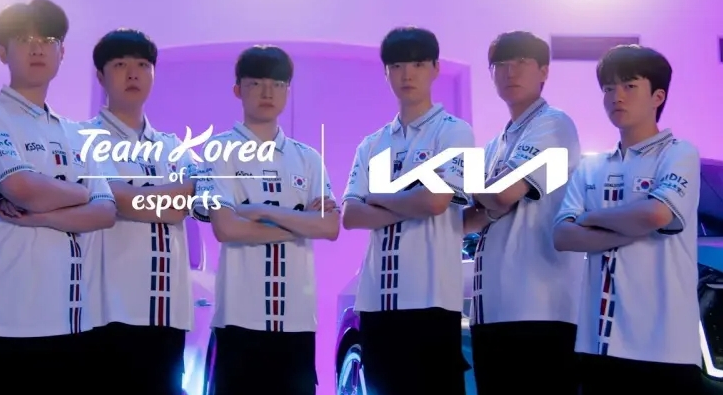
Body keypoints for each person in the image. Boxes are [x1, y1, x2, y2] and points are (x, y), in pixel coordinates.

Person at [0, 0, 116, 394]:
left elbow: (105, 213)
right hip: (2, 327)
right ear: (2, 52)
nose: (37, 48)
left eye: (48, 40)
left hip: (71, 325)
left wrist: (43, 215)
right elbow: (21, 188)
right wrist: (80, 192)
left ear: (62, 52)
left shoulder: (76, 133)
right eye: (24, 39)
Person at [554, 45, 702, 395]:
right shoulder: (591, 166)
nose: (616, 96)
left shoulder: (679, 153)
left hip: (665, 348)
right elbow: (562, 236)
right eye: (608, 88)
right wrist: (636, 226)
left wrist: (590, 217)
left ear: (657, 96)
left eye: (629, 86)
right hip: (597, 345)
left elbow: (657, 213)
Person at [192, 45, 340, 395]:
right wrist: (301, 222)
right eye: (256, 83)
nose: (268, 92)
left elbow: (331, 227)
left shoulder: (308, 158)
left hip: (297, 322)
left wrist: (262, 211)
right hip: (238, 320)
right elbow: (226, 228)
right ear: (238, 90)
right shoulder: (218, 152)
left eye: (278, 84)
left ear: (288, 90)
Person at [341, 26, 472, 395]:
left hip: (432, 299)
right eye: (396, 66)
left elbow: (436, 201)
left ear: (435, 68)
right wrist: (411, 201)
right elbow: (350, 215)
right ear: (386, 73)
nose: (407, 74)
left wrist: (378, 198)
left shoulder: (456, 133)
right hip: (376, 302)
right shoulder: (372, 144)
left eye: (417, 64)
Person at [463, 31, 584, 395]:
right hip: (492, 310)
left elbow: (502, 193)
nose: (510, 72)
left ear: (544, 71)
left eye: (521, 62)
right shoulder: (494, 145)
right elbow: (471, 218)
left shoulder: (554, 125)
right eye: (500, 64)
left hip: (540, 309)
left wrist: (465, 185)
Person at [81, 29, 197, 395]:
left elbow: (194, 199)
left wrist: (136, 199)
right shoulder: (81, 139)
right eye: (120, 65)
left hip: (167, 314)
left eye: (143, 65)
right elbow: (115, 199)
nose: (133, 74)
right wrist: (170, 199)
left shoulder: (174, 147)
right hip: (104, 311)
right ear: (100, 76)